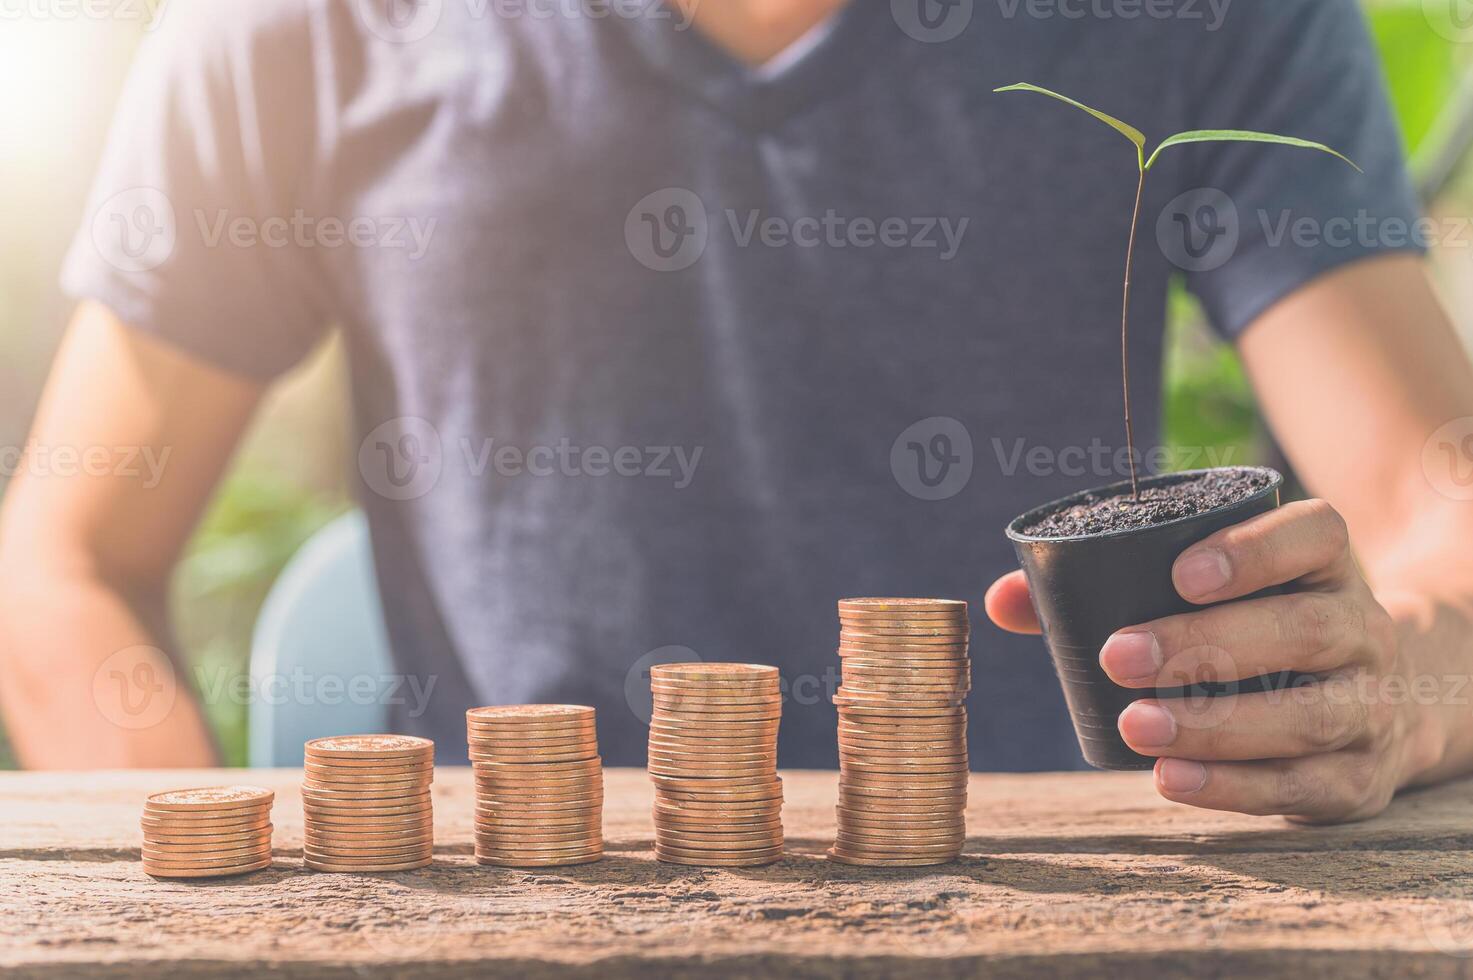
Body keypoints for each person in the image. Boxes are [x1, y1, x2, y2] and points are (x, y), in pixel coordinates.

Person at [2, 0, 1471, 824]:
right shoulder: (286, 35)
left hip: (1073, 892)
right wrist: (203, 876)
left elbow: (1438, 517)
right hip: (523, 895)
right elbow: (59, 558)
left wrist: (1391, 681)